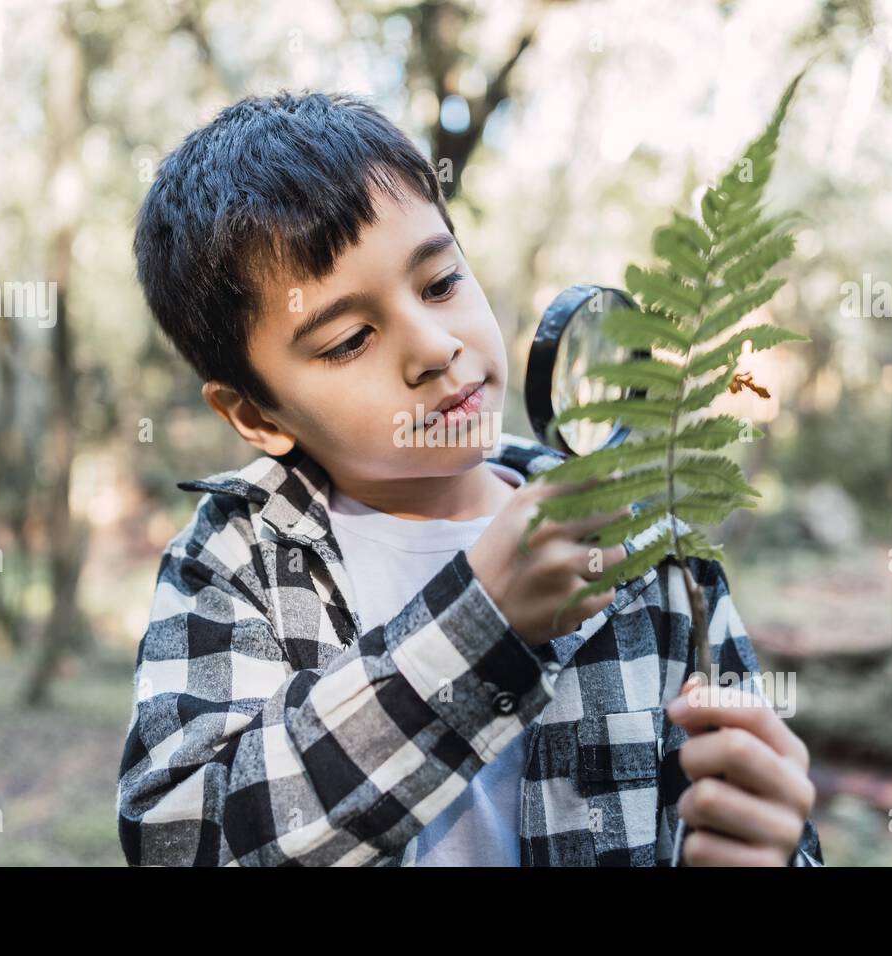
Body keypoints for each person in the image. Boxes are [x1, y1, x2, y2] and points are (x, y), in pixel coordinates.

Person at [116, 90, 823, 867]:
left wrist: (773, 846)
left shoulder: (648, 550)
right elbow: (179, 839)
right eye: (350, 339)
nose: (433, 347)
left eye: (441, 283)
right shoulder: (234, 560)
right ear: (256, 414)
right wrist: (480, 624)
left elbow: (747, 822)